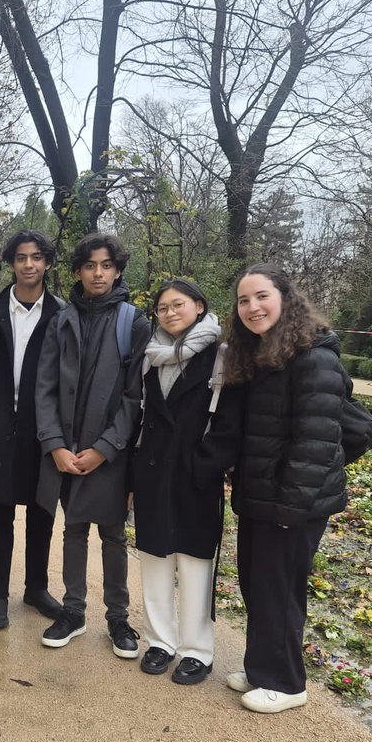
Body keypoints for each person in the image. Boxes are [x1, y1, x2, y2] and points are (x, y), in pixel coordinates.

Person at [223, 262, 350, 713]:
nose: (252, 307)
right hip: (261, 495)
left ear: (285, 298)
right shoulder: (261, 356)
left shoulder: (314, 357)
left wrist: (290, 507)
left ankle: (288, 683)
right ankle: (262, 669)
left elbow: (314, 442)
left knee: (280, 587)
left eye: (261, 296)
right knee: (257, 585)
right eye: (243, 300)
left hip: (292, 502)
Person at [35, 233, 151, 653]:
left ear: (117, 269)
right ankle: (73, 611)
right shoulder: (61, 320)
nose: (97, 273)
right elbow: (44, 388)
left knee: (113, 534)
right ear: (78, 271)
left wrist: (104, 448)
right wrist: (55, 445)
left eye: (105, 265)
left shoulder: (133, 322)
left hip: (110, 452)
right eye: (89, 266)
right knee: (73, 529)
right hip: (66, 448)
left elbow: (134, 395)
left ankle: (118, 619)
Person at [132, 278, 238, 683]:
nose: (170, 312)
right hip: (154, 469)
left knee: (195, 561)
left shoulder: (221, 355)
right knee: (156, 557)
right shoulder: (149, 356)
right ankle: (160, 641)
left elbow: (230, 419)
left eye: (178, 305)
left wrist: (206, 465)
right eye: (162, 307)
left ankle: (197, 649)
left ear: (198, 306)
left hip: (197, 473)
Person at [0, 229, 66, 630]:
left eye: (37, 257)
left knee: (41, 512)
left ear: (46, 263)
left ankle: (36, 588)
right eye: (22, 257)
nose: (29, 264)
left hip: (43, 432)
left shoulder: (61, 315)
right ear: (12, 263)